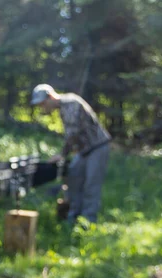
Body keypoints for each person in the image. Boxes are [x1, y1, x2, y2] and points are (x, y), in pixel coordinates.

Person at [31, 84, 111, 223]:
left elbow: (73, 132)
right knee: (73, 179)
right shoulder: (62, 109)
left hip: (97, 147)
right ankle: (72, 218)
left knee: (91, 185)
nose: (43, 108)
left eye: (43, 104)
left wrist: (62, 154)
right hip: (83, 151)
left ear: (50, 97)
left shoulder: (71, 102)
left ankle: (88, 221)